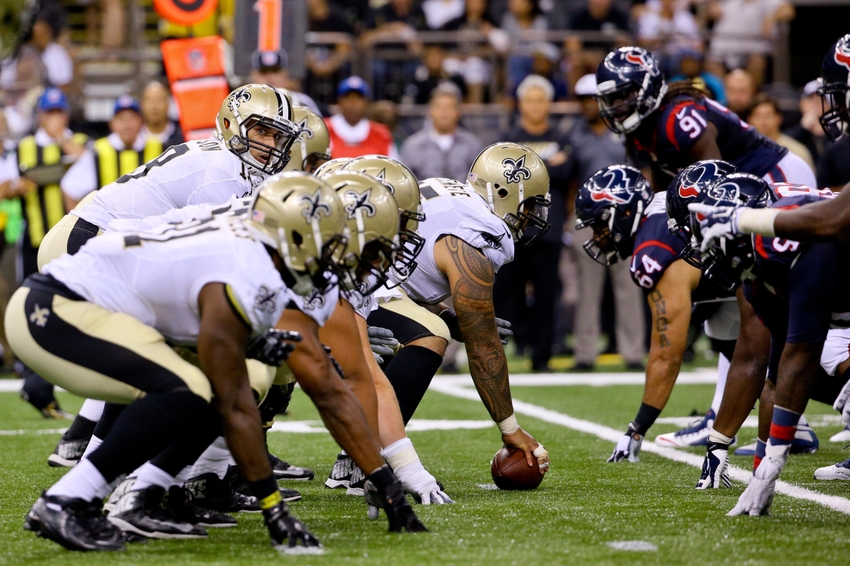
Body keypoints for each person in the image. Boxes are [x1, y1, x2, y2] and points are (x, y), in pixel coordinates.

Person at [9, 174, 423, 551]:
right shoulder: (248, 266)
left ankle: (131, 493)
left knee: (221, 380)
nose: (364, 262)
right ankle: (69, 498)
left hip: (103, 310)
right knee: (196, 389)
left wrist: (384, 481)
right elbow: (236, 399)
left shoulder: (269, 250)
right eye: (353, 248)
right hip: (57, 309)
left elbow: (327, 387)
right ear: (305, 233)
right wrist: (274, 508)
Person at [367, 143, 551, 474]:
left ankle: (359, 455)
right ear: (505, 193)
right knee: (429, 336)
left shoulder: (454, 197)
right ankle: (367, 456)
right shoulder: (478, 234)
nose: (531, 217)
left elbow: (410, 279)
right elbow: (483, 347)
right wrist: (510, 429)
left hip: (365, 284)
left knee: (431, 326)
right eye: (529, 206)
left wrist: (450, 318)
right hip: (358, 288)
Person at [687, 176, 850, 513]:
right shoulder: (758, 278)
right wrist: (765, 466)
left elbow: (803, 352)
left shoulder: (796, 251)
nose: (714, 259)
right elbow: (779, 371)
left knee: (830, 355)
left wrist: (772, 462)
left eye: (720, 243)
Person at [576, 164, 746, 456]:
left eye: (599, 226)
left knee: (819, 353)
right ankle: (795, 432)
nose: (598, 237)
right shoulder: (656, 209)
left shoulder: (652, 250)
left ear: (624, 213)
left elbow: (667, 356)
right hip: (746, 269)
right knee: (731, 338)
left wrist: (637, 428)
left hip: (783, 256)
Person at [594, 47, 816, 196]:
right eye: (612, 99)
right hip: (744, 187)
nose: (619, 105)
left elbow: (716, 182)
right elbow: (663, 193)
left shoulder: (678, 116)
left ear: (648, 86)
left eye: (625, 95)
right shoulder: (644, 130)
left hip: (773, 174)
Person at [3, 87, 86, 419]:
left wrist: (61, 140)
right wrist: (15, 187)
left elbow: (87, 165)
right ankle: (36, 381)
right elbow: (3, 186)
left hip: (74, 241)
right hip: (35, 240)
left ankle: (54, 380)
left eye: (60, 113)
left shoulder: (78, 142)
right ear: (39, 116)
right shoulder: (22, 147)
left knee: (76, 308)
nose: (55, 119)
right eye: (49, 114)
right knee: (35, 307)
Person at [564, 74, 646, 371]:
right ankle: (585, 353)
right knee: (588, 288)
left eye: (592, 100)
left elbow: (643, 173)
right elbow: (570, 181)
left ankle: (633, 352)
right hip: (587, 219)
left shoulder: (626, 132)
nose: (588, 106)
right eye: (583, 100)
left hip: (624, 217)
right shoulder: (574, 135)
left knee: (628, 286)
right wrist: (568, 218)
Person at [495, 75, 572, 372]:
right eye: (530, 99)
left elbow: (566, 170)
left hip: (549, 230)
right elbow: (501, 178)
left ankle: (542, 355)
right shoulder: (507, 139)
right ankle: (511, 345)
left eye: (541, 100)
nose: (536, 105)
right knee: (506, 295)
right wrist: (546, 165)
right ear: (520, 104)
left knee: (546, 295)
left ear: (549, 104)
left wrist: (526, 169)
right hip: (512, 230)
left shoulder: (562, 137)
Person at [61, 95, 163, 210]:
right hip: (111, 226)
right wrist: (81, 226)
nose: (127, 125)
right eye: (122, 119)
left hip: (151, 226)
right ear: (112, 124)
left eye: (132, 118)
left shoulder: (158, 147)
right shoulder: (98, 151)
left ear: (141, 121)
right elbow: (69, 188)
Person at [399, 84, 482, 181]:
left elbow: (478, 180)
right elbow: (405, 183)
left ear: (457, 112)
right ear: (430, 111)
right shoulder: (412, 145)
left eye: (449, 107)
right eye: (439, 107)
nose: (444, 112)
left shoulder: (472, 144)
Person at [705, 0, 795, 87]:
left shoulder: (768, 1)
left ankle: (752, 96)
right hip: (724, 46)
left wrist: (771, 18)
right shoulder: (728, 2)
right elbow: (709, 13)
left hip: (753, 47)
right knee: (711, 64)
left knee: (756, 62)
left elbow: (788, 11)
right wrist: (712, 6)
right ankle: (724, 97)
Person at [325, 77, 398, 159]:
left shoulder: (382, 134)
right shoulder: (324, 130)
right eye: (348, 98)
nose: (353, 104)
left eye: (358, 98)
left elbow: (393, 167)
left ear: (366, 102)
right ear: (339, 101)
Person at [746, 93, 815, 171]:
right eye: (758, 116)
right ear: (750, 119)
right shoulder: (743, 152)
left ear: (778, 118)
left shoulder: (797, 151)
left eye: (768, 115)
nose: (763, 121)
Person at [250, 50, 322, 116]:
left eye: (275, 71)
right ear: (254, 75)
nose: (270, 77)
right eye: (264, 72)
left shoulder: (302, 101)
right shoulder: (244, 101)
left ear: (285, 74)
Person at [139, 81, 184, 149]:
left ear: (168, 104)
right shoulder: (134, 137)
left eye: (160, 100)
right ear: (142, 105)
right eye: (149, 101)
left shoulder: (182, 133)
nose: (154, 106)